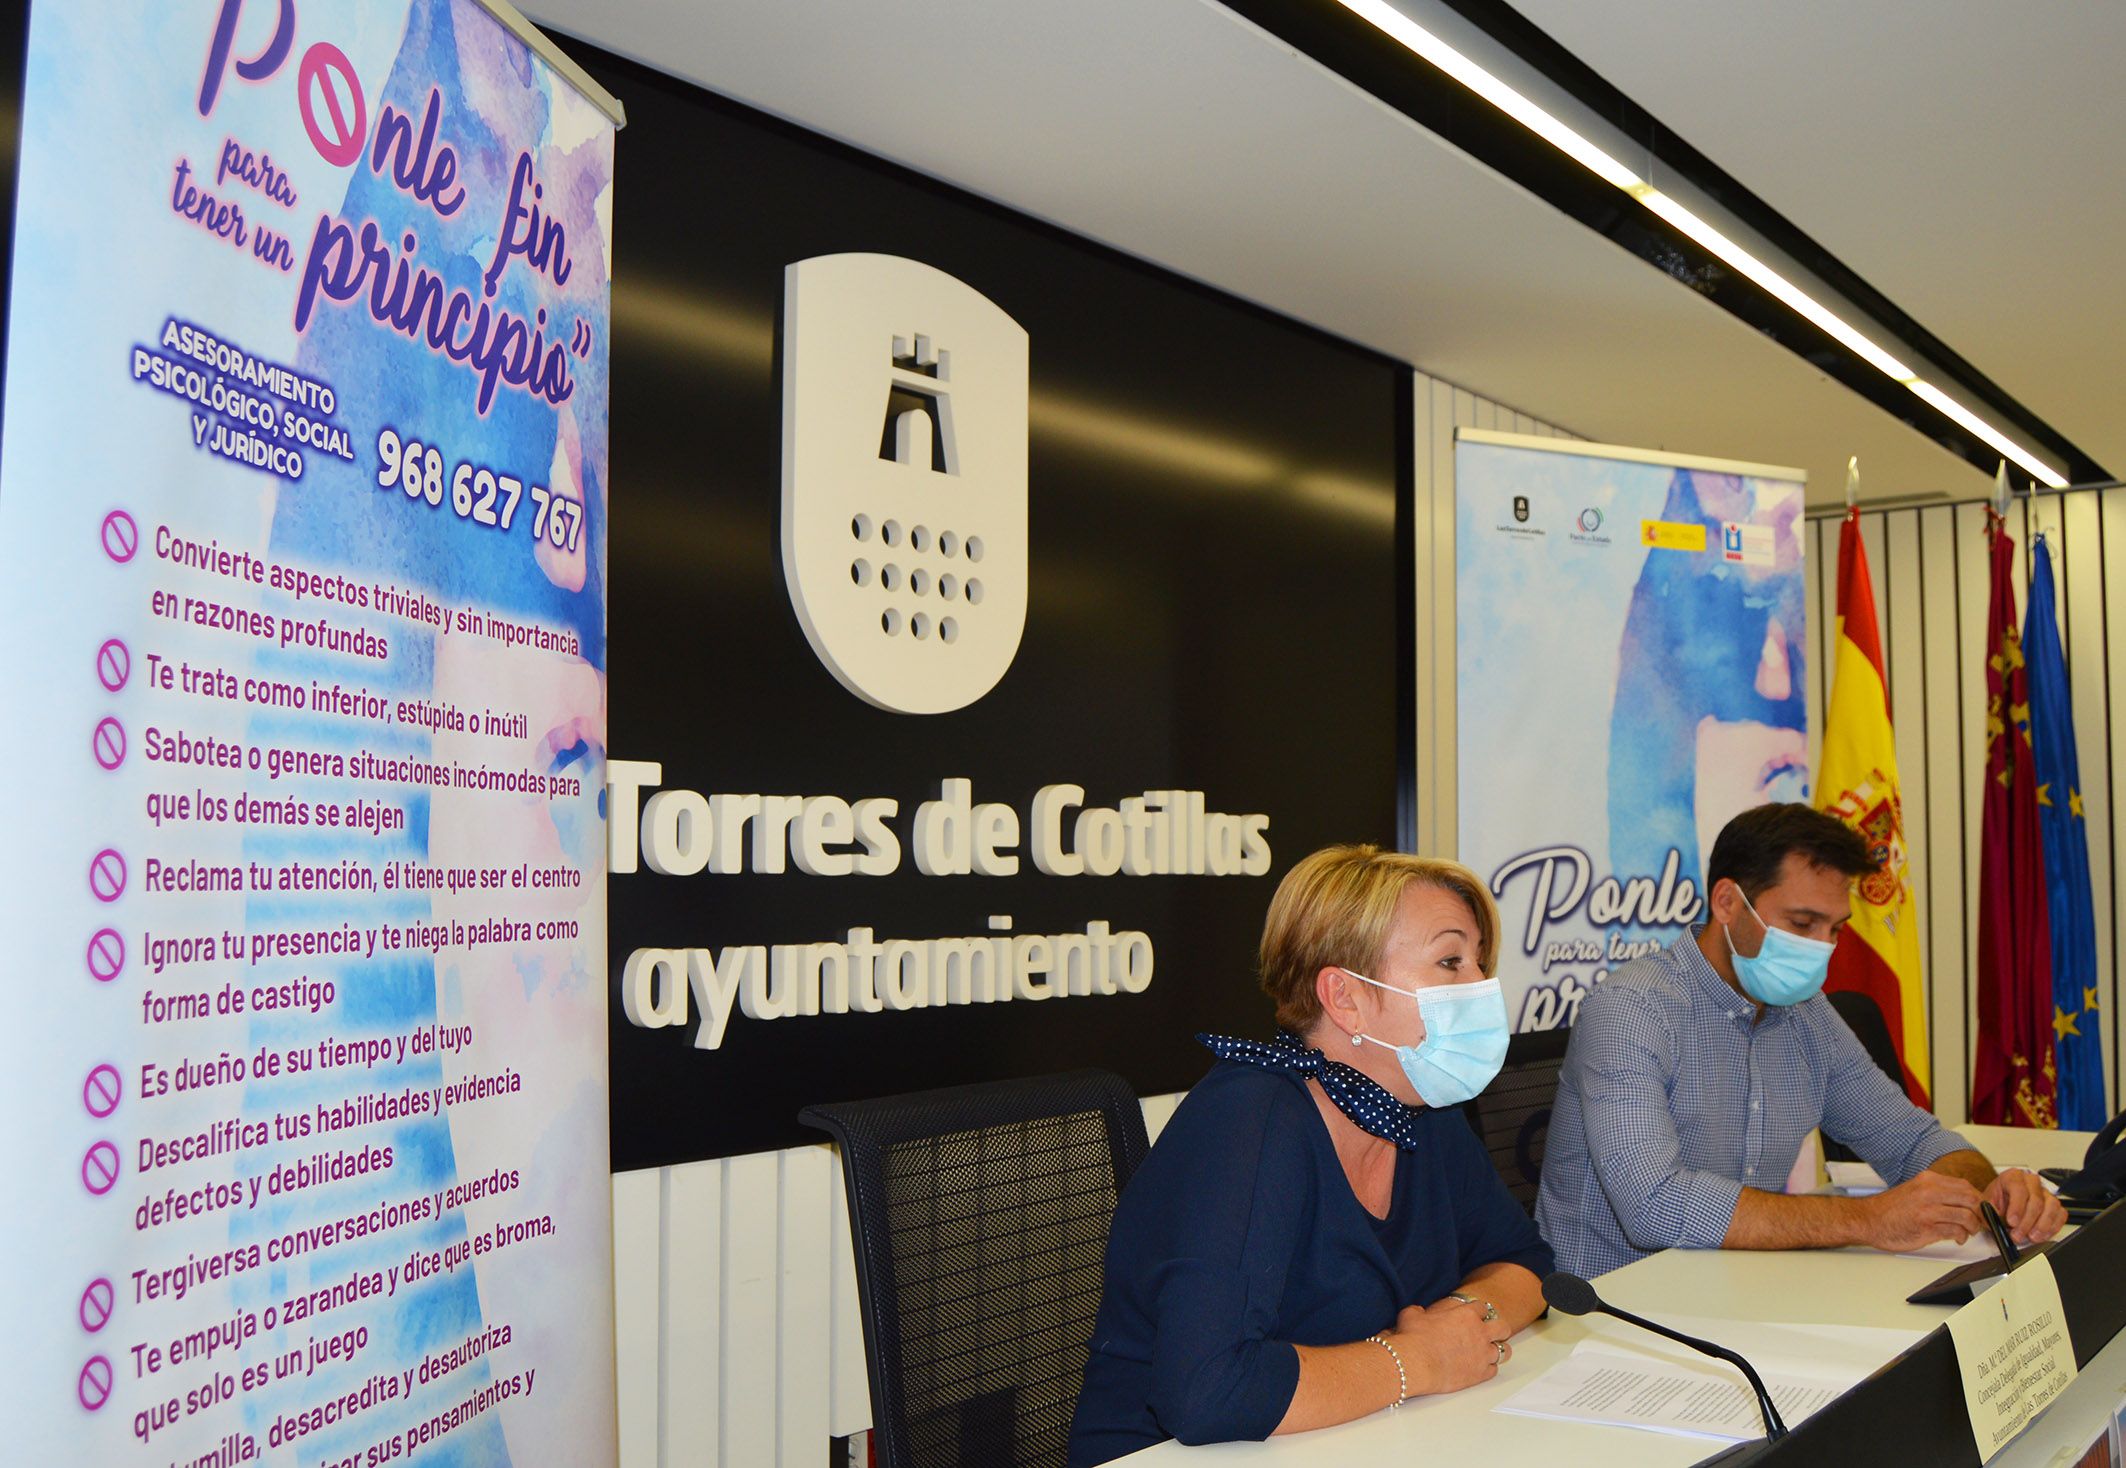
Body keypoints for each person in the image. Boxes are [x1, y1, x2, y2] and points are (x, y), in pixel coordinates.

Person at [1067, 846, 1554, 1466]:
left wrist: (1459, 1323)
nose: (1481, 986)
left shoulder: (1421, 1105)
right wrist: (1418, 1361)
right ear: (1345, 997)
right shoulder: (1248, 1122)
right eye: (1451, 960)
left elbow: (1524, 1261)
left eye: (1481, 962)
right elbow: (1208, 1390)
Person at [1536, 803, 2068, 1279]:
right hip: (1614, 1312)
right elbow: (1654, 1205)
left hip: (1745, 1293)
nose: (1822, 948)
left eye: (1834, 929)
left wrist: (1986, 1189)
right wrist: (1869, 1219)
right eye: (1802, 923)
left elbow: (1913, 1142)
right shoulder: (1630, 1010)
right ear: (1727, 902)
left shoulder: (1806, 1016)